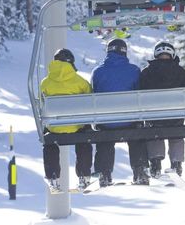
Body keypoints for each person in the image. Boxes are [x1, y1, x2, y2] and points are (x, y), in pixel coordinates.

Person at [91, 38, 149, 185]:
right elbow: (140, 93)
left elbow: (94, 93)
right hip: (130, 120)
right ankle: (140, 170)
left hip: (106, 122)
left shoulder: (98, 72)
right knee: (137, 137)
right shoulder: (134, 70)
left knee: (104, 139)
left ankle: (104, 173)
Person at [39, 48, 93, 191]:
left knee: (49, 143)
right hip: (76, 126)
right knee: (84, 139)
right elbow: (90, 101)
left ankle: (53, 178)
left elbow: (42, 104)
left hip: (54, 127)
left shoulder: (45, 83)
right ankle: (84, 175)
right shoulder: (80, 82)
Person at [139, 41, 185, 177]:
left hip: (154, 117)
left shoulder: (147, 72)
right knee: (176, 134)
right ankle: (176, 163)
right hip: (175, 116)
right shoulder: (180, 71)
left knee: (154, 132)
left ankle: (155, 163)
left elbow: (140, 92)